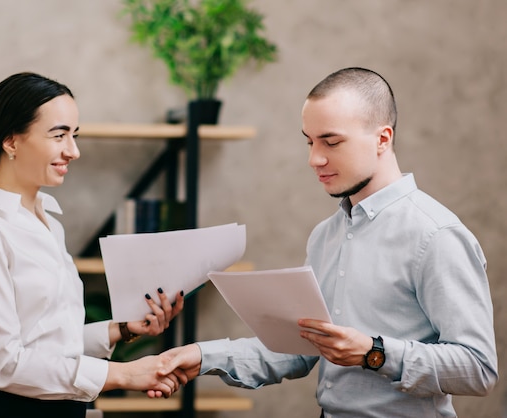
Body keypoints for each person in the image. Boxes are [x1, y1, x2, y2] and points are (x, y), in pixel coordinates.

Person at [157, 67, 498, 417]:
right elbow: (301, 347)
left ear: (383, 139)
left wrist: (374, 352)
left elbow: (479, 369)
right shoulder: (325, 235)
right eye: (310, 141)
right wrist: (201, 356)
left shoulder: (436, 235)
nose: (314, 159)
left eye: (331, 142)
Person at [0, 71, 185, 418]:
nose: (73, 151)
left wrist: (123, 329)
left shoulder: (46, 220)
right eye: (59, 135)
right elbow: (4, 364)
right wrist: (123, 374)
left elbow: (47, 340)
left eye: (75, 135)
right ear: (11, 141)